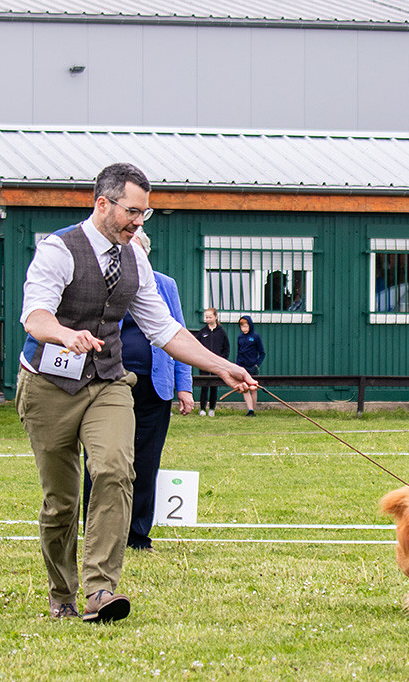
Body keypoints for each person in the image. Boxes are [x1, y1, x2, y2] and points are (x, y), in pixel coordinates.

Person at [16, 162, 257, 624]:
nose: (138, 222)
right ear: (102, 203)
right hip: (48, 384)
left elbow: (164, 329)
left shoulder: (135, 258)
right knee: (62, 501)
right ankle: (62, 593)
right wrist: (65, 334)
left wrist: (224, 365)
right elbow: (36, 317)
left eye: (145, 214)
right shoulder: (58, 250)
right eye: (132, 211)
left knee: (114, 471)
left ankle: (100, 591)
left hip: (107, 381)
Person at [81, 228, 194, 552]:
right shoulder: (103, 282)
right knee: (102, 461)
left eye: (136, 251)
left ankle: (137, 535)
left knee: (145, 463)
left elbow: (178, 334)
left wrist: (183, 386)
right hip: (107, 382)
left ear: (145, 254)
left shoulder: (165, 285)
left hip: (153, 386)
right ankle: (97, 533)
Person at [193, 307, 229, 416]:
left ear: (215, 317)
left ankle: (212, 408)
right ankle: (202, 408)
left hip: (216, 364)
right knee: (204, 385)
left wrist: (221, 360)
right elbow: (196, 346)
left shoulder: (221, 332)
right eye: (206, 317)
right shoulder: (202, 332)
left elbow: (226, 348)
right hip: (204, 363)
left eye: (210, 317)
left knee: (214, 386)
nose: (208, 319)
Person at [235, 315, 265, 416]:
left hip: (252, 367)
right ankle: (250, 410)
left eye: (245, 326)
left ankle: (254, 409)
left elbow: (262, 353)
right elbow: (239, 352)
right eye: (242, 326)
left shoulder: (255, 337)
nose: (244, 329)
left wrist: (257, 364)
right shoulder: (240, 338)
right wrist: (237, 366)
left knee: (253, 389)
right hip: (242, 367)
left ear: (250, 325)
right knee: (245, 389)